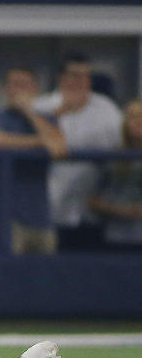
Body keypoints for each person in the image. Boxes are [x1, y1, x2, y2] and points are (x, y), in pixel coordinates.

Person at [33, 52, 122, 247]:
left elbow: (120, 146)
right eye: (75, 75)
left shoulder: (106, 108)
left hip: (91, 208)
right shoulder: (41, 107)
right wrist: (60, 113)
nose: (81, 82)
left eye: (86, 76)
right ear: (61, 78)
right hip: (50, 207)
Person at [0, 67, 66, 254]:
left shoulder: (45, 118)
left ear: (34, 89)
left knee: (46, 278)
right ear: (5, 88)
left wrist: (29, 112)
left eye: (24, 84)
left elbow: (58, 146)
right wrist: (41, 142)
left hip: (41, 217)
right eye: (14, 84)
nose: (19, 90)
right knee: (6, 277)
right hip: (6, 218)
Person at [87, 100, 142, 249]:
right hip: (117, 238)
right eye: (133, 116)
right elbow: (92, 200)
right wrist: (120, 209)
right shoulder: (112, 158)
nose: (138, 121)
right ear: (125, 122)